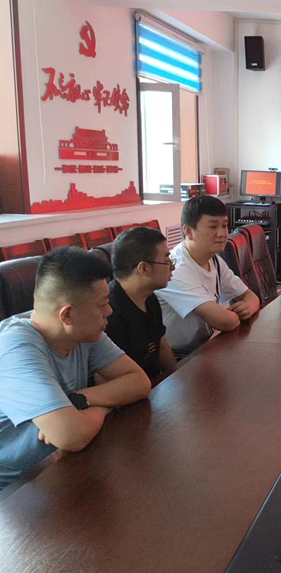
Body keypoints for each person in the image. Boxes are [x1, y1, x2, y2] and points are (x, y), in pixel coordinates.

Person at [0, 247, 151, 491]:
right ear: (67, 315)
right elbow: (71, 436)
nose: (109, 312)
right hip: (14, 491)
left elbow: (139, 382)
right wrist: (104, 406)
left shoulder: (84, 332)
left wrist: (80, 400)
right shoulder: (14, 346)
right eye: (102, 305)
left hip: (60, 467)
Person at [156, 195, 260, 358]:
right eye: (212, 227)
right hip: (177, 357)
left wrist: (248, 308)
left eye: (224, 225)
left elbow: (251, 296)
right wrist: (233, 315)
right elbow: (225, 322)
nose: (222, 233)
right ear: (188, 231)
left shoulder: (214, 260)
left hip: (203, 347)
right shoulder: (175, 268)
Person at [105, 226, 178, 382]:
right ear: (143, 268)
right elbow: (108, 378)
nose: (172, 267)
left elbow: (160, 344)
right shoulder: (109, 312)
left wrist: (178, 377)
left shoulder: (149, 297)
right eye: (166, 261)